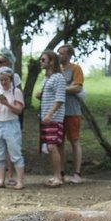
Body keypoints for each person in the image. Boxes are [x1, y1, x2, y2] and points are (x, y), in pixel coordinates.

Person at [0, 48, 23, 186]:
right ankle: (0, 179)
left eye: (5, 79)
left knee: (15, 152)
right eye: (1, 80)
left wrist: (7, 104)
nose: (3, 82)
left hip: (11, 123)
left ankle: (17, 179)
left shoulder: (15, 90)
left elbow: (19, 108)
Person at [35, 50, 66, 188]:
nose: (40, 62)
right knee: (50, 147)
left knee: (52, 146)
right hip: (45, 117)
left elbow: (60, 99)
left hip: (54, 118)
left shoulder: (59, 77)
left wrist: (49, 114)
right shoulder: (46, 79)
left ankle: (58, 177)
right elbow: (49, 96)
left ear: (52, 61)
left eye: (43, 60)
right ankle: (56, 175)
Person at [57, 44, 85, 184]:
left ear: (68, 55)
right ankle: (60, 173)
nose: (59, 56)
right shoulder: (56, 70)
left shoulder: (76, 69)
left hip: (72, 110)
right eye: (58, 53)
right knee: (59, 142)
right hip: (58, 111)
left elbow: (78, 87)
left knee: (74, 141)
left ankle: (77, 173)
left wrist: (62, 89)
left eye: (62, 53)